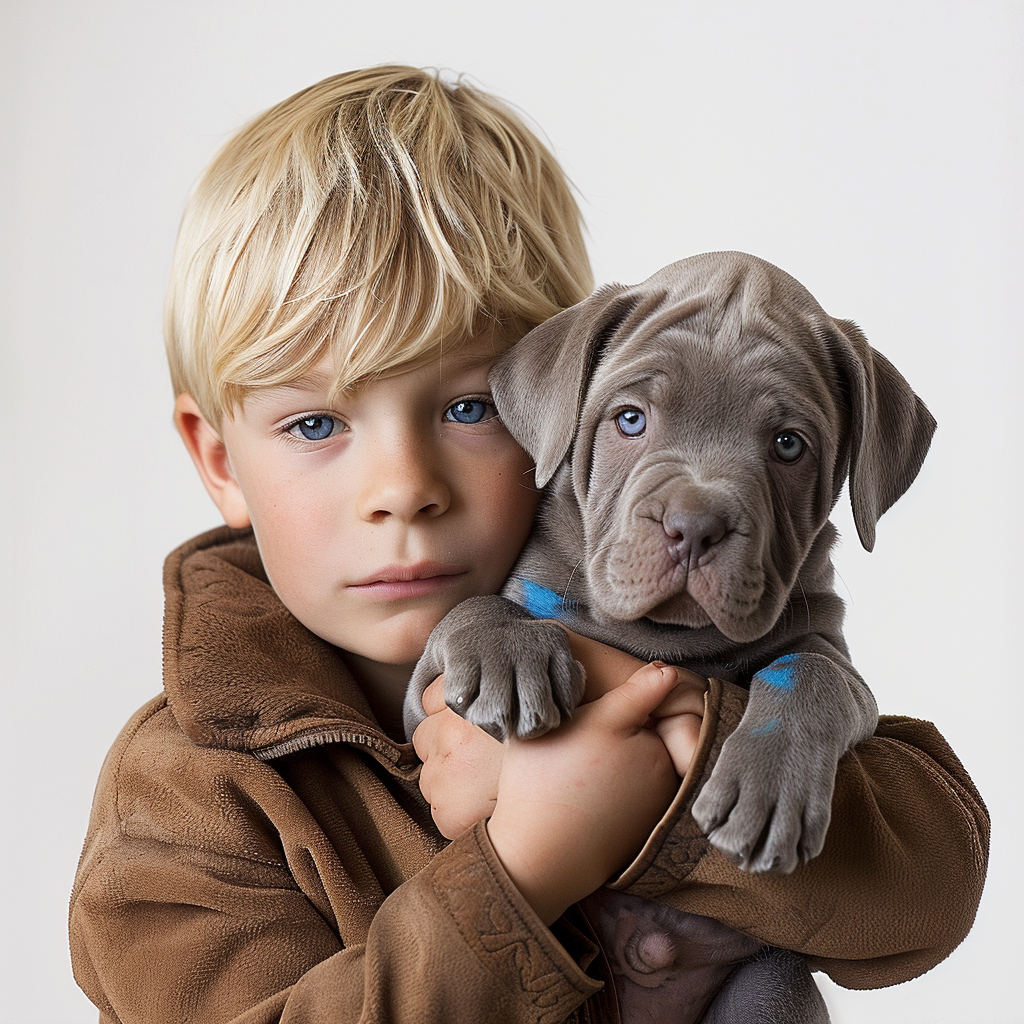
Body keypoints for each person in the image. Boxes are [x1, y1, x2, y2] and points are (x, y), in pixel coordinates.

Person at [69, 65, 988, 1023]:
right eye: (315, 426)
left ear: (554, 407)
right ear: (220, 462)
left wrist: (659, 787)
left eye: (469, 406)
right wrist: (528, 865)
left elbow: (930, 880)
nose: (403, 490)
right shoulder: (181, 795)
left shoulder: (674, 628)